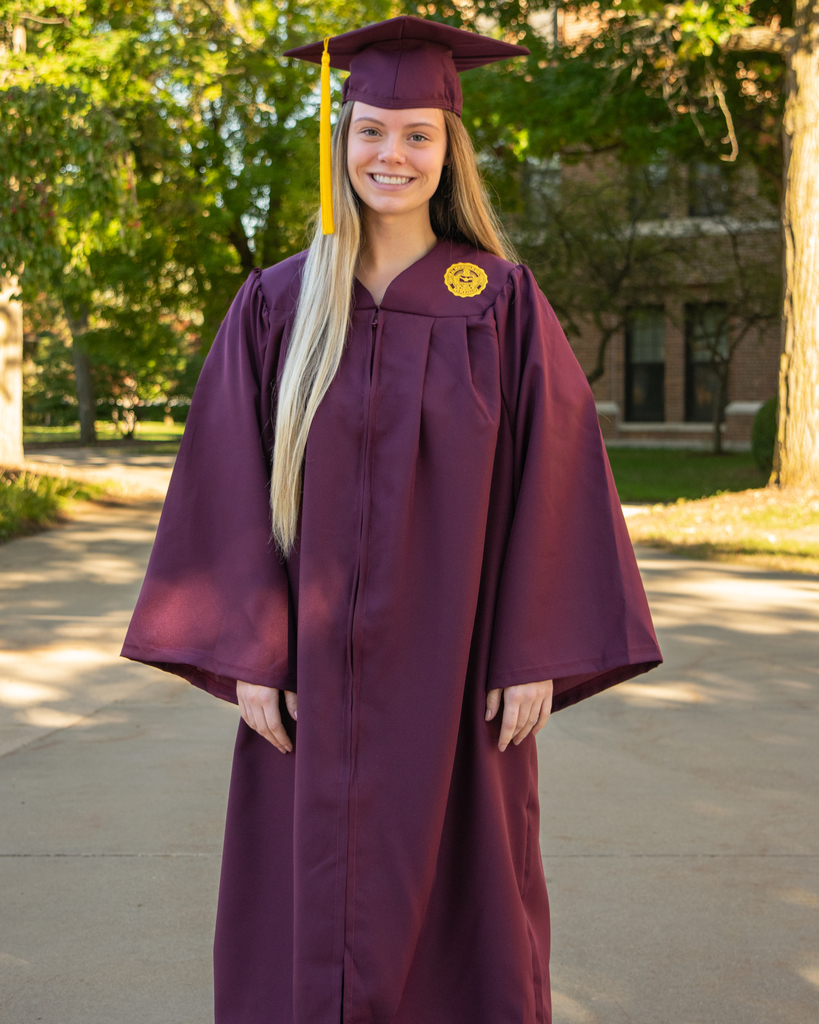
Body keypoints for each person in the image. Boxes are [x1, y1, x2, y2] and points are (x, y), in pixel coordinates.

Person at [121, 15, 662, 1024]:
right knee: (304, 899)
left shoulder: (497, 301)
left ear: (451, 149)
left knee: (466, 899)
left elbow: (559, 477)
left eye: (419, 134)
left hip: (457, 670)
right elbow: (224, 482)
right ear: (344, 139)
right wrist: (247, 652)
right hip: (310, 680)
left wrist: (533, 646)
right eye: (373, 130)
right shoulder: (280, 303)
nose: (393, 155)